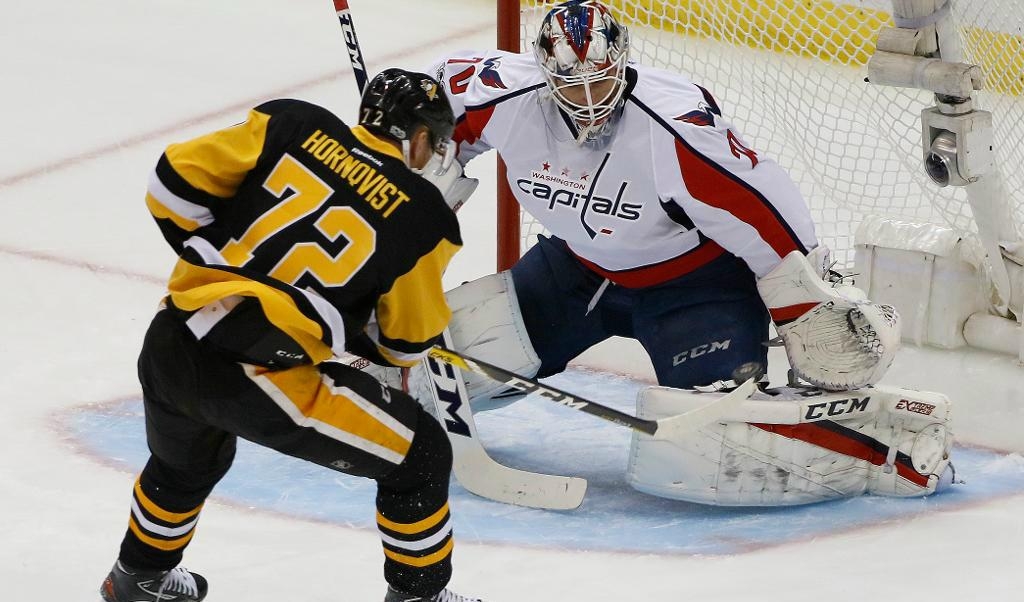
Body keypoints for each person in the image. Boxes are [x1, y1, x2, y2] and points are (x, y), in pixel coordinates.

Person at [99, 69, 482, 602]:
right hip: (256, 373)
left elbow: (169, 185)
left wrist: (229, 262)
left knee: (187, 460)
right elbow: (405, 344)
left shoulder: (292, 122)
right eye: (434, 143)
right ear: (419, 139)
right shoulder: (424, 216)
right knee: (420, 456)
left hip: (172, 339)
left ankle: (138, 578)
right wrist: (346, 314)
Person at [422, 0, 900, 412]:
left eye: (601, 79)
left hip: (696, 288)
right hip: (576, 272)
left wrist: (805, 300)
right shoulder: (507, 98)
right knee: (438, 374)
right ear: (545, 75)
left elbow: (761, 207)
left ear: (623, 60)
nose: (589, 98)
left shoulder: (675, 128)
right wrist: (402, 177)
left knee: (708, 433)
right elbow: (433, 102)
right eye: (572, 85)